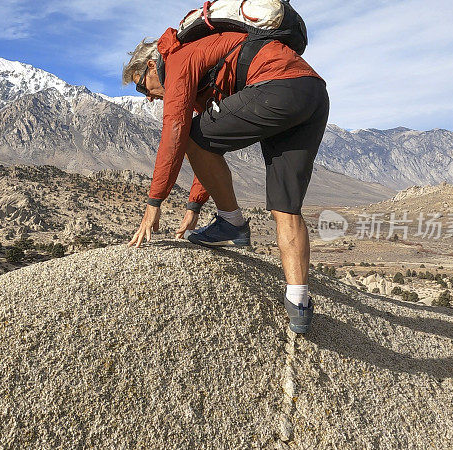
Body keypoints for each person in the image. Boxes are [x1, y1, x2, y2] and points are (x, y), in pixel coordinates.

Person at [122, 28, 329, 333]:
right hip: (312, 93)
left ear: (152, 65)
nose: (149, 97)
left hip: (277, 87)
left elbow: (176, 133)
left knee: (191, 134)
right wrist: (194, 204)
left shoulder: (178, 60)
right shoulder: (205, 77)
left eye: (143, 88)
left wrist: (155, 201)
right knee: (286, 207)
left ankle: (232, 222)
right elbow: (207, 145)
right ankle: (298, 303)